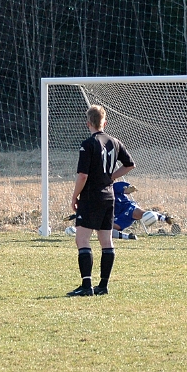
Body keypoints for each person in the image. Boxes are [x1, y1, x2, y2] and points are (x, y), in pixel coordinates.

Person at [67, 104, 135, 297]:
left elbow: (82, 176)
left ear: (88, 123)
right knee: (106, 241)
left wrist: (74, 196)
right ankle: (103, 286)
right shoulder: (115, 142)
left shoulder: (88, 144)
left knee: (82, 239)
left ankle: (87, 286)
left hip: (91, 197)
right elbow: (130, 164)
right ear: (104, 122)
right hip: (109, 197)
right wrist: (111, 177)